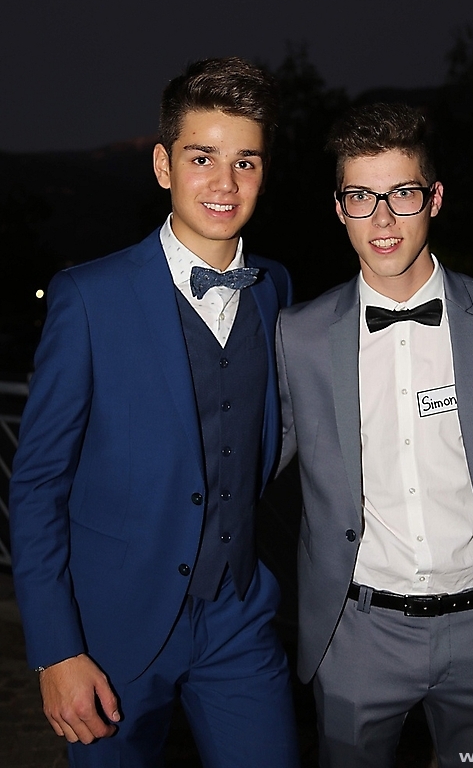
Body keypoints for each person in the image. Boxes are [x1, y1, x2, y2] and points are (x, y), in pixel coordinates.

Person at [9, 57, 300, 768]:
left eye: (245, 162)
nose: (225, 183)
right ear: (164, 165)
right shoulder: (88, 298)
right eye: (203, 158)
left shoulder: (276, 288)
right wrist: (56, 649)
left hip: (239, 614)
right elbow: (38, 485)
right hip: (113, 632)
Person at [275, 101, 473, 767]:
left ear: (435, 198)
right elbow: (243, 470)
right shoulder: (298, 337)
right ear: (339, 208)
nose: (383, 219)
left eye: (402, 193)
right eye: (361, 197)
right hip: (358, 638)